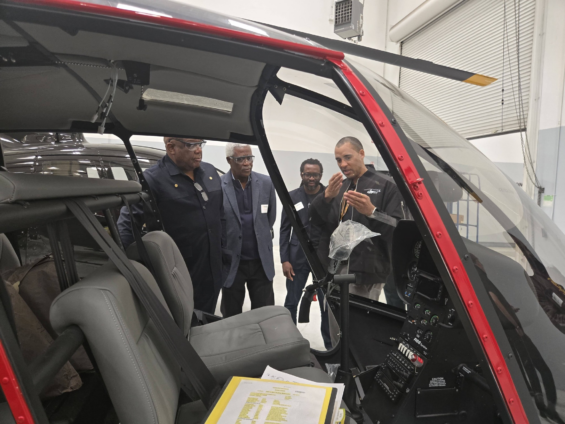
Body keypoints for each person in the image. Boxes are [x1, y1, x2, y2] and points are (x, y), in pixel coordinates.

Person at [117, 137, 227, 314]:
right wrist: (133, 269)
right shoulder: (152, 179)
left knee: (207, 317)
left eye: (200, 144)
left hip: (213, 267)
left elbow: (221, 214)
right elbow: (127, 225)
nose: (198, 150)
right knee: (182, 320)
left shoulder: (210, 171)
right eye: (191, 145)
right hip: (178, 271)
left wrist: (225, 250)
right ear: (171, 147)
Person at [310, 137, 403, 301]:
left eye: (348, 157)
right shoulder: (340, 187)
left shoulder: (387, 185)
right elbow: (317, 221)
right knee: (334, 316)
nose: (343, 164)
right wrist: (325, 197)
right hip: (334, 269)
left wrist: (372, 212)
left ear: (361, 154)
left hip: (366, 271)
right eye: (338, 160)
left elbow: (397, 230)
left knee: (358, 316)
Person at [280, 159, 332, 350]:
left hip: (324, 260)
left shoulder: (330, 196)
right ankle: (290, 344)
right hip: (297, 258)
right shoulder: (292, 196)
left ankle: (330, 346)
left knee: (327, 306)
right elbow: (284, 229)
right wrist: (285, 259)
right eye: (307, 174)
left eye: (315, 174)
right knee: (291, 302)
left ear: (321, 175)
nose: (311, 178)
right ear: (301, 174)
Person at [220, 143, 276, 317]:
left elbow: (270, 218)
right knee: (231, 315)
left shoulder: (266, 183)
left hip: (261, 262)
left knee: (264, 315)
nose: (247, 163)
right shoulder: (218, 186)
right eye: (240, 159)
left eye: (249, 158)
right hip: (232, 262)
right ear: (229, 160)